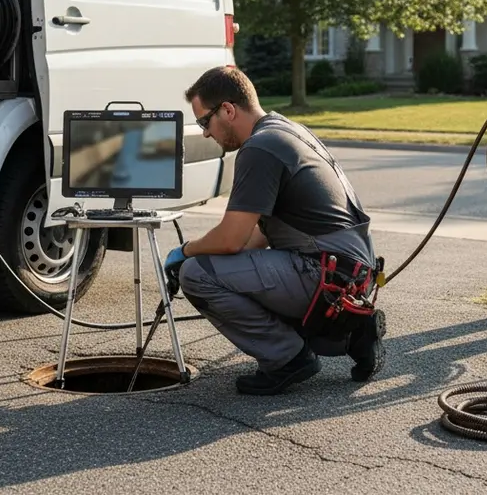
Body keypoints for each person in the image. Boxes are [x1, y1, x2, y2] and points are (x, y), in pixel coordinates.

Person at [162, 65, 386, 395]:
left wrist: (184, 252)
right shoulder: (287, 130)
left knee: (196, 274)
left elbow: (230, 239)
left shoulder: (259, 148)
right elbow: (259, 237)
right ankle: (354, 335)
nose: (206, 134)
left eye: (204, 122)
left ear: (228, 110)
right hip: (349, 274)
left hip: (325, 273)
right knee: (227, 270)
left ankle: (287, 358)